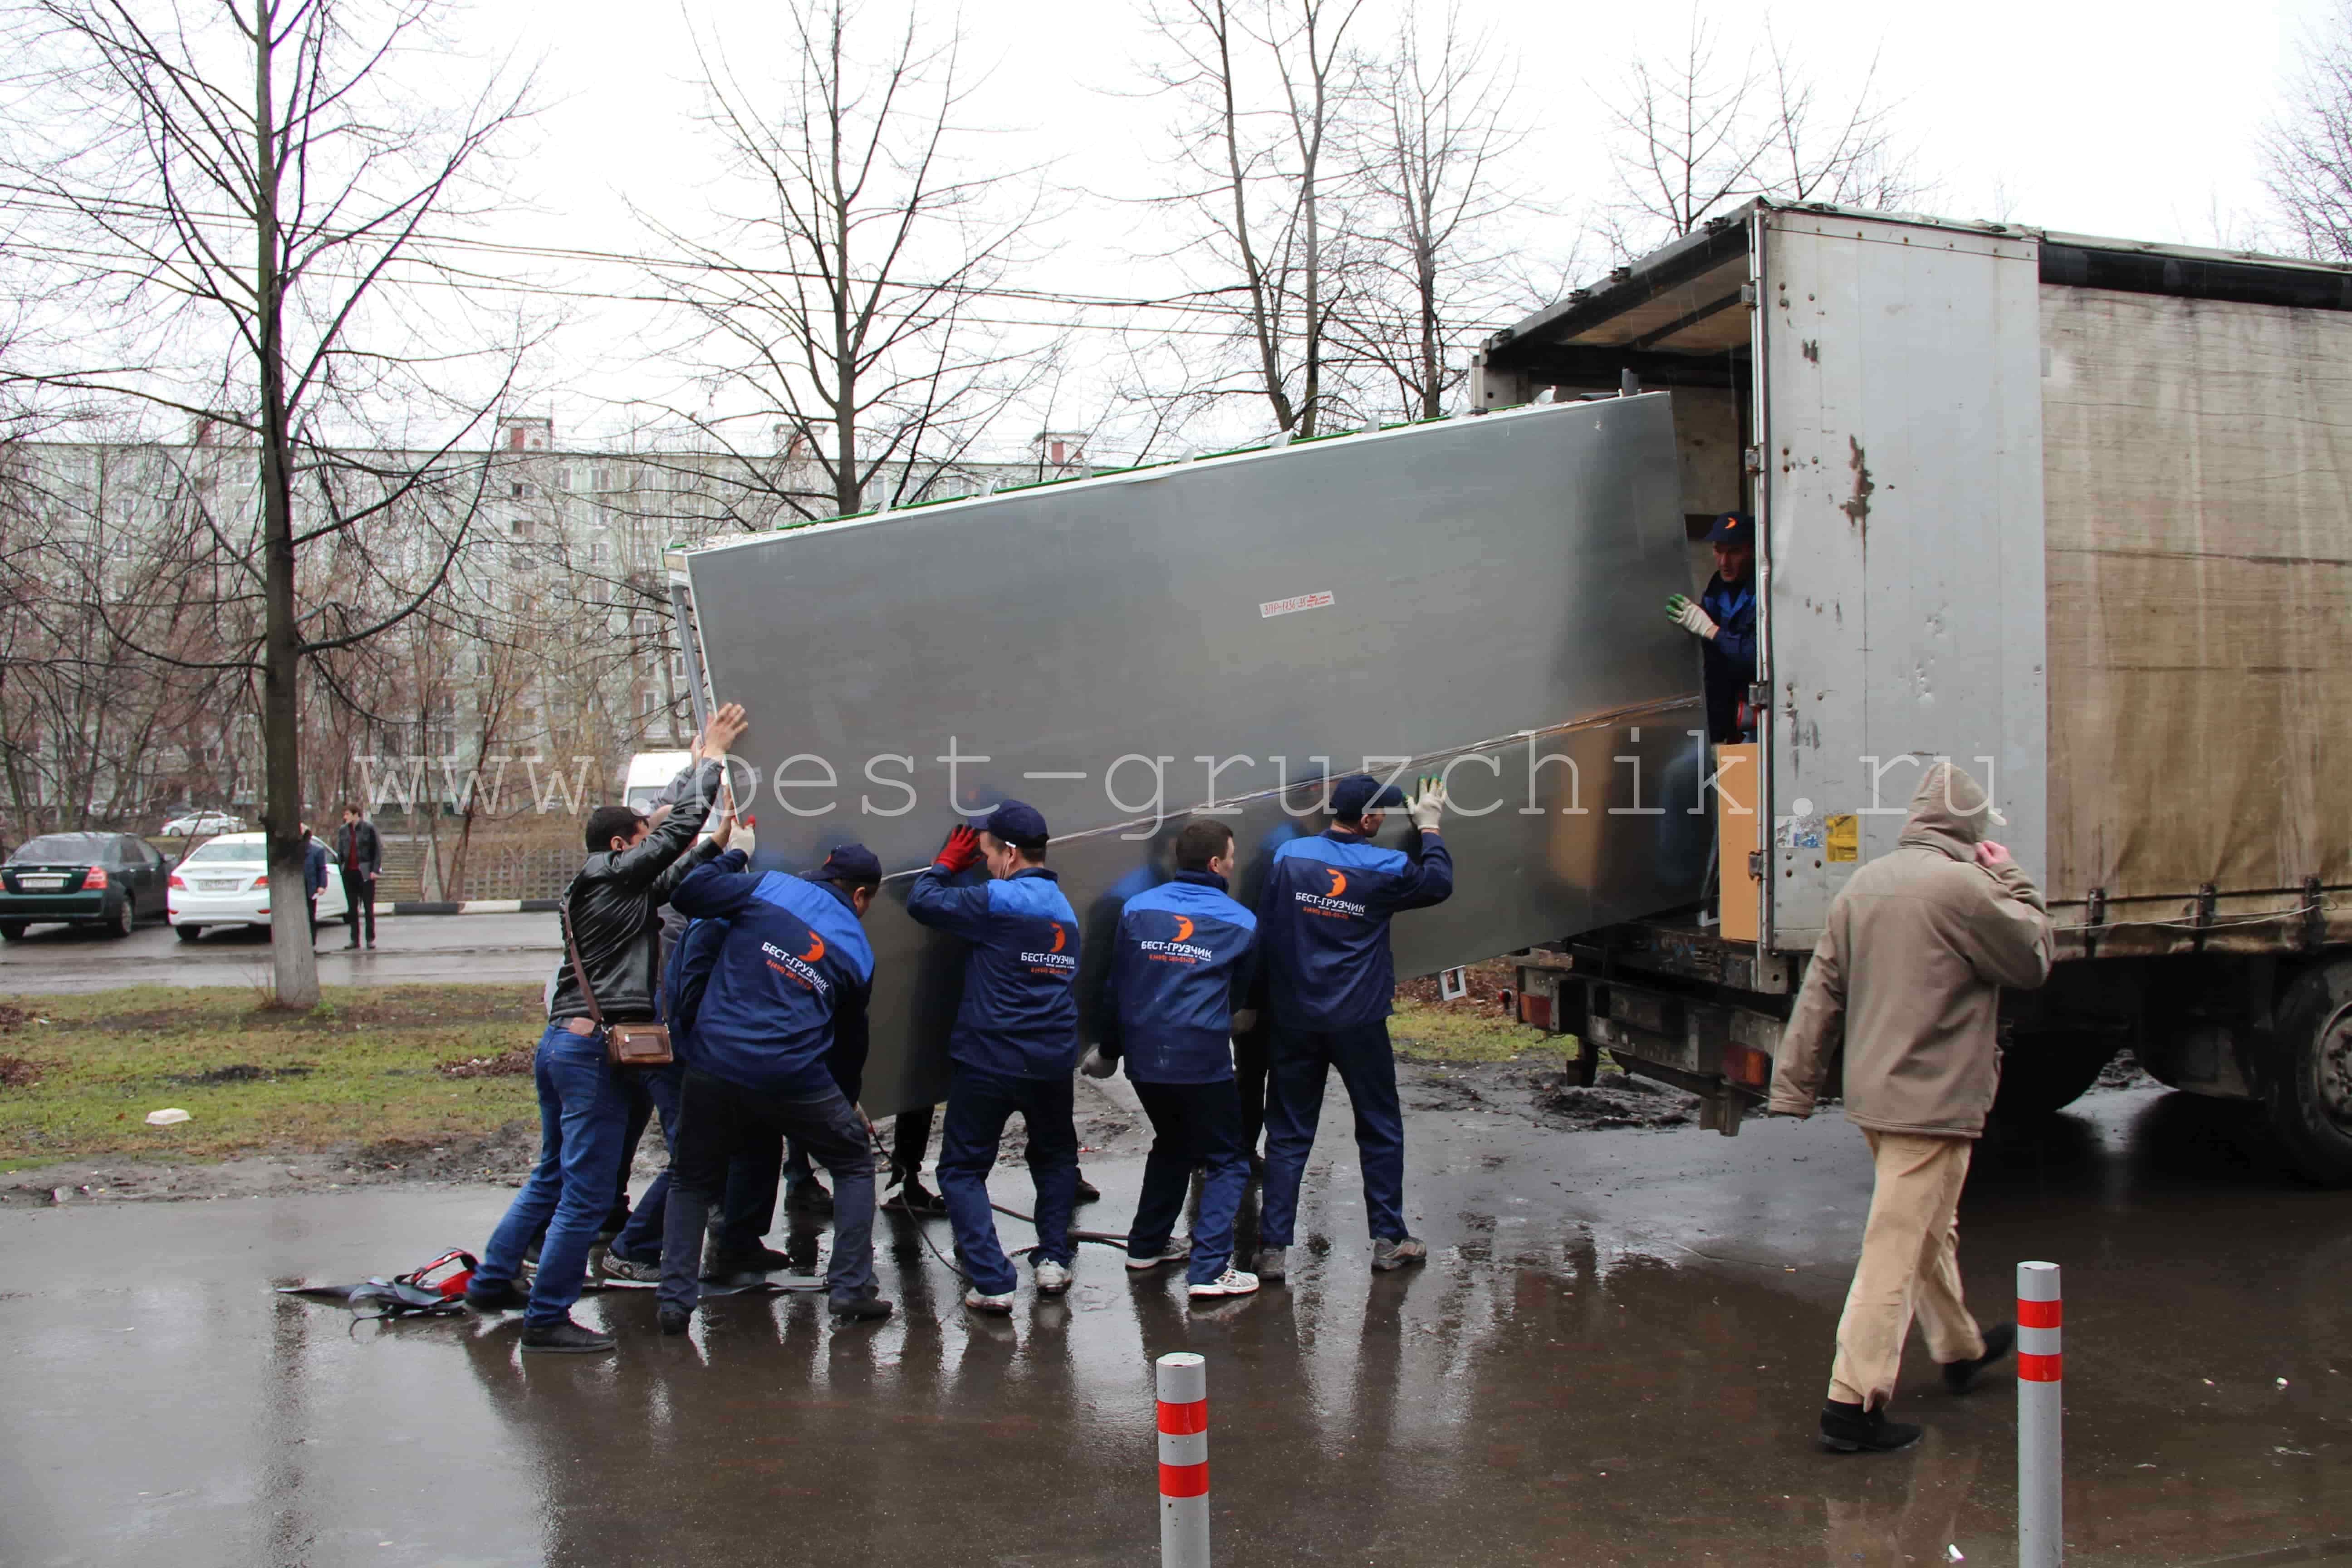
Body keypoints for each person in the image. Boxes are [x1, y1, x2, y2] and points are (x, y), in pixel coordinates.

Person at [1770, 760, 2054, 1454]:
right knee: (1896, 1249)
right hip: (1933, 1102)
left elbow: (1822, 995)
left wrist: (1795, 1084)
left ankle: (1957, 1347)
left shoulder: (1864, 885)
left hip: (1875, 1098)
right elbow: (2035, 958)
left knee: (1928, 1227)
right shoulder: (1967, 889)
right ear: (1970, 828)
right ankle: (1852, 1406)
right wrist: (2010, 876)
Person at [464, 702, 746, 1353]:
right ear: (621, 846)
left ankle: (491, 1283)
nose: (652, 841)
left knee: (553, 1176)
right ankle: (546, 1319)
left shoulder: (609, 890)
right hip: (591, 1054)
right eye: (642, 836)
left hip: (569, 1044)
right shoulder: (605, 876)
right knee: (586, 1196)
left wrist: (718, 846)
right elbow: (672, 839)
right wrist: (709, 757)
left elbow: (674, 874)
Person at [655, 843, 891, 1332]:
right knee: (850, 1162)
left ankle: (675, 1304)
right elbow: (850, 1047)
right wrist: (844, 1106)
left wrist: (732, 854)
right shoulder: (860, 953)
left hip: (714, 1062)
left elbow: (688, 894)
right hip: (794, 1076)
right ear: (862, 895)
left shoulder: (772, 888)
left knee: (691, 1178)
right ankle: (850, 1290)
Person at [1254, 774, 1453, 1283]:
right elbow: (1438, 884)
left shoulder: (1290, 858)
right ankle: (1389, 1240)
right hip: (1358, 1020)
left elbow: (1270, 927)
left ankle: (1273, 1249)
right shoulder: (1385, 867)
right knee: (1380, 1128)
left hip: (1295, 1016)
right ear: (1366, 821)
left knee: (1289, 1134)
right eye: (1380, 815)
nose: (1383, 821)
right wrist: (1429, 828)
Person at [906, 800, 1083, 1313]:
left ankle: (992, 1279)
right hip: (1051, 1058)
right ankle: (1053, 1261)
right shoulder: (1062, 907)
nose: (982, 861)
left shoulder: (1001, 901)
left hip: (990, 1057)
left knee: (961, 1169)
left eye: (985, 851)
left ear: (1009, 852)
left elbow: (922, 902)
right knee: (1054, 1159)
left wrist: (945, 864)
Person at [1083, 818, 1261, 1300]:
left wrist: (1110, 1049)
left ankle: (1146, 1246)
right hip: (1200, 1056)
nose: (1234, 862)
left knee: (1174, 1142)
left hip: (1144, 1056)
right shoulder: (1241, 922)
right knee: (1227, 1159)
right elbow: (1236, 1000)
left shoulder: (1137, 909)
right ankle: (1209, 1271)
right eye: (1231, 855)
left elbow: (1116, 985)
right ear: (1215, 864)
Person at [1665, 510, 1759, 744]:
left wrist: (1711, 631)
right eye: (1719, 550)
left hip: (1759, 716)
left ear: (1753, 550)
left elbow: (1755, 657)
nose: (1724, 562)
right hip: (1725, 712)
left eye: (1735, 552)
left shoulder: (1765, 589)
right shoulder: (1719, 585)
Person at [335, 804, 382, 950]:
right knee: (352, 908)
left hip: (365, 872)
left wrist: (375, 870)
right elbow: (340, 852)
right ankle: (354, 940)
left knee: (368, 907)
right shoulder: (343, 831)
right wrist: (341, 867)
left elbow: (378, 850)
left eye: (348, 814)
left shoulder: (368, 829)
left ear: (356, 815)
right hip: (349, 873)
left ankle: (370, 939)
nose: (345, 817)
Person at [300, 825, 329, 932]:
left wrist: (322, 885)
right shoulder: (293, 851)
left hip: (310, 887)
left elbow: (322, 869)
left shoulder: (317, 851)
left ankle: (311, 943)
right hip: (297, 888)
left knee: (310, 915)